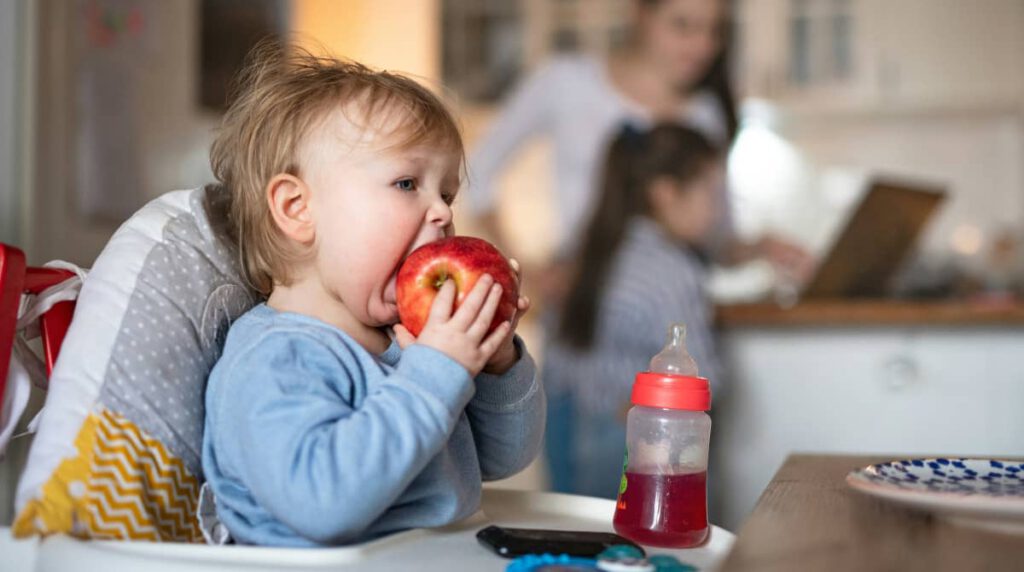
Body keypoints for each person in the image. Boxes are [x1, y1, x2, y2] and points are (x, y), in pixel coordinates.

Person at [201, 43, 545, 547]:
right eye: (407, 183)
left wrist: (496, 366)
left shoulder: (407, 345)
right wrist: (435, 372)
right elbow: (322, 504)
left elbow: (502, 460)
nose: (443, 213)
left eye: (446, 193)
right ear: (297, 208)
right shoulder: (276, 359)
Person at [469, 0, 810, 283]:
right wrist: (525, 273)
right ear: (639, 14)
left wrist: (761, 248)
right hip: (582, 313)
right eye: (683, 26)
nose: (703, 46)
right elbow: (477, 174)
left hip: (674, 308)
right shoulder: (566, 83)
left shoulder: (707, 115)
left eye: (714, 31)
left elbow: (716, 239)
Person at [543, 123, 723, 498]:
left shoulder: (588, 251)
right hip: (629, 437)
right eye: (712, 192)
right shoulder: (671, 269)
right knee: (638, 548)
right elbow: (700, 375)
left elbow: (556, 361)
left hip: (565, 427)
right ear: (666, 194)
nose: (718, 210)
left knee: (581, 542)